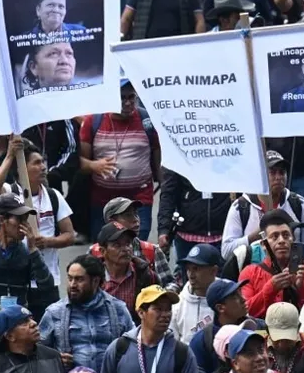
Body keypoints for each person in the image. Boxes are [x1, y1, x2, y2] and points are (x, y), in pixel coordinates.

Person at [0, 143, 76, 321]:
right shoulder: (10, 193)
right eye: (37, 163)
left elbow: (70, 236)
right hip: (17, 280)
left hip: (47, 279)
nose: (43, 167)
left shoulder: (53, 196)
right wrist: (10, 155)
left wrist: (47, 242)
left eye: (43, 162)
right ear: (22, 168)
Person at [79, 81, 161, 243]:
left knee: (137, 246)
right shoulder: (93, 121)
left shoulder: (147, 120)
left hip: (139, 200)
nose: (128, 102)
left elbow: (157, 153)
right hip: (103, 202)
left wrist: (164, 183)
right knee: (106, 248)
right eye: (122, 98)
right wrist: (94, 165)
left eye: (132, 97)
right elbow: (79, 162)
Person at [222, 152, 304, 270]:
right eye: (272, 173)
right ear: (259, 176)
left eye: (282, 172)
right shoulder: (241, 207)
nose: (278, 177)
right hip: (254, 277)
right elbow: (226, 251)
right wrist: (255, 236)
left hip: (292, 275)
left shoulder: (299, 204)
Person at [39, 255, 134, 373]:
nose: (72, 285)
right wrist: (54, 359)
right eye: (70, 279)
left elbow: (134, 346)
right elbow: (37, 351)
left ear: (95, 281)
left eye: (79, 279)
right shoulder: (54, 312)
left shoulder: (118, 309)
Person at [0, 192, 54, 311]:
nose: (25, 225)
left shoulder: (27, 252)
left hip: (17, 318)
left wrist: (33, 250)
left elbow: (47, 285)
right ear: (1, 220)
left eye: (25, 219)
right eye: (19, 219)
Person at [239, 210, 304, 317]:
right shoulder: (249, 273)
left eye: (286, 235)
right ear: (263, 245)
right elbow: (244, 311)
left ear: (293, 240)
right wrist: (270, 289)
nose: (281, 241)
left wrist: (302, 287)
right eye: (274, 236)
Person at [189, 279, 258, 373]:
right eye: (235, 297)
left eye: (240, 293)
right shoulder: (202, 340)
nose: (243, 299)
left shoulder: (258, 327)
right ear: (220, 308)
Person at [98, 197, 176, 289]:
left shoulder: (152, 251)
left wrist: (159, 296)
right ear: (112, 221)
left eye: (136, 214)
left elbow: (170, 285)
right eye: (128, 215)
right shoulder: (96, 252)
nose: (136, 219)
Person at [157, 169, 232, 265]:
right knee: (187, 274)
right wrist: (164, 230)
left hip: (222, 237)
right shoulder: (179, 160)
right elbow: (168, 195)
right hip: (187, 238)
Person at [93, 222, 160, 319]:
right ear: (103, 251)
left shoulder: (144, 274)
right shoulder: (93, 277)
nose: (126, 249)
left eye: (128, 243)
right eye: (117, 245)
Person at [171, 244, 222, 342]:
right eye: (188, 269)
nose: (191, 275)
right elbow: (172, 343)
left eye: (196, 269)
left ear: (213, 271)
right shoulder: (178, 305)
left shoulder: (230, 298)